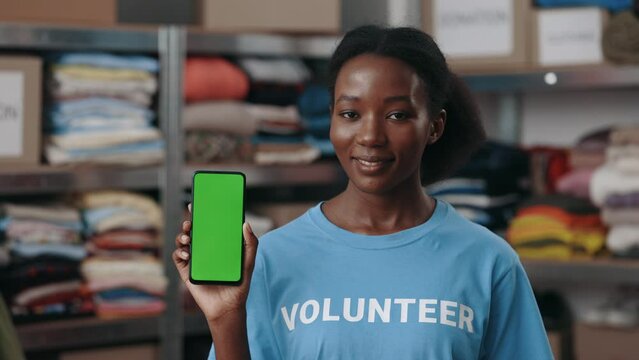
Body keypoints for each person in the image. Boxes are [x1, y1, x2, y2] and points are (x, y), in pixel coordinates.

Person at [174, 25, 553, 360]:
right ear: (331, 121)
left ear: (434, 126)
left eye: (397, 115)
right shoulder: (271, 258)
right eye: (351, 114)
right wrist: (225, 318)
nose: (370, 136)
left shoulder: (487, 261)